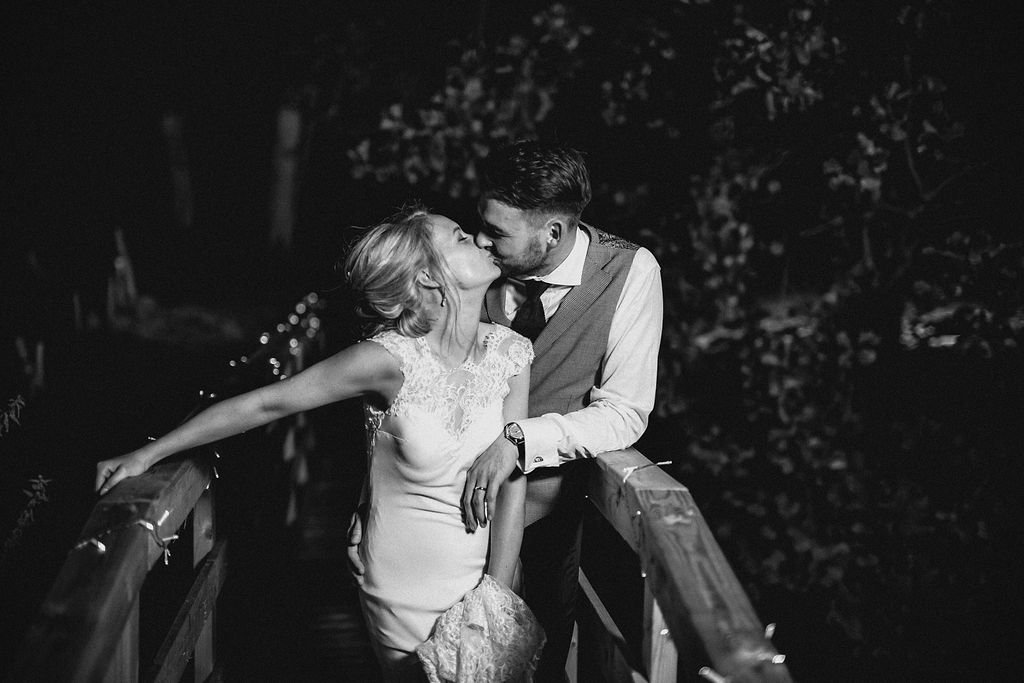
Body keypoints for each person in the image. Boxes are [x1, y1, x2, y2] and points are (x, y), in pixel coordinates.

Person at [95, 207, 538, 682]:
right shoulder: (389, 360)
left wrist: (497, 590)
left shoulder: (510, 354)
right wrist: (149, 453)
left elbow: (513, 478)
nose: (482, 240)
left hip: (486, 576)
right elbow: (266, 404)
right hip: (403, 589)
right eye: (461, 237)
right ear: (429, 276)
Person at [348, 142, 664, 681]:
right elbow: (406, 390)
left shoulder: (629, 273)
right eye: (479, 225)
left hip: (542, 523)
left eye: (497, 232)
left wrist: (519, 440)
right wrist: (372, 500)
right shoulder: (471, 268)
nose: (481, 239)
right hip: (431, 534)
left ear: (553, 233)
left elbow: (625, 413)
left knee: (528, 666)